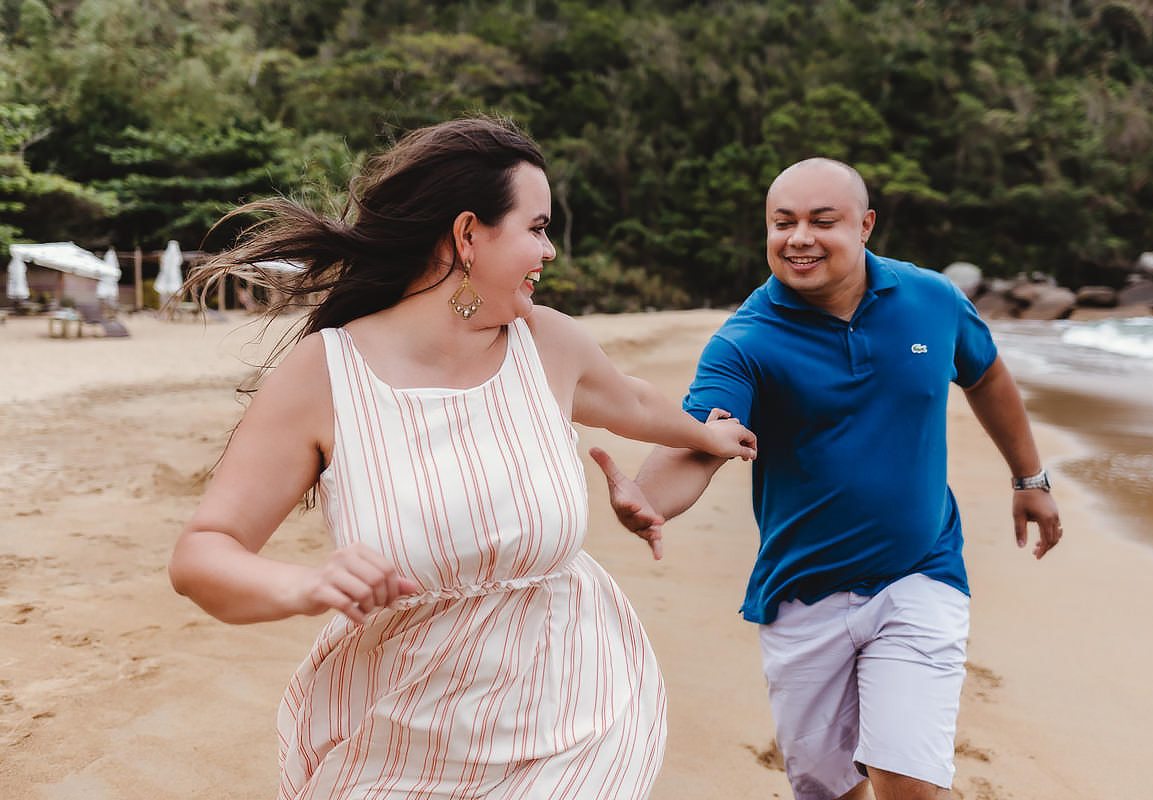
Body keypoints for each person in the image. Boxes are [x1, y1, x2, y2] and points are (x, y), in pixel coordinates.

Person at [167, 116, 757, 800]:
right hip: (400, 737)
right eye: (537, 227)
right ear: (468, 235)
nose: (551, 250)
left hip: (572, 717)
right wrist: (304, 585)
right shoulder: (324, 376)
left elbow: (630, 399)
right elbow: (202, 553)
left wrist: (706, 437)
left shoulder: (547, 344)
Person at [590, 157, 1062, 800]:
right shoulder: (746, 342)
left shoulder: (931, 299)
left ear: (865, 225)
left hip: (920, 572)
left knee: (908, 776)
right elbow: (701, 440)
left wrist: (1029, 478)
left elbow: (986, 375)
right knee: (828, 788)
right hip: (803, 594)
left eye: (822, 221)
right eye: (782, 223)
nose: (799, 238)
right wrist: (649, 500)